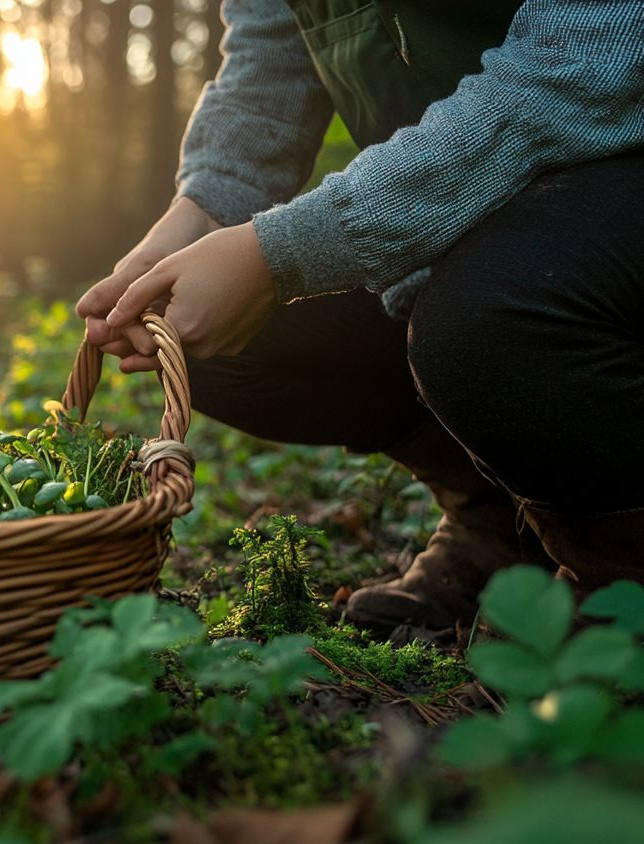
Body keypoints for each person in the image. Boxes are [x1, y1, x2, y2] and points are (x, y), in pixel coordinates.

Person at [76, 0, 644, 631]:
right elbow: (266, 76)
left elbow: (585, 67)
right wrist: (199, 215)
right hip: (453, 224)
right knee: (206, 342)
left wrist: (279, 255)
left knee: (484, 317)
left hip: (610, 194)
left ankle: (623, 584)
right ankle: (501, 522)